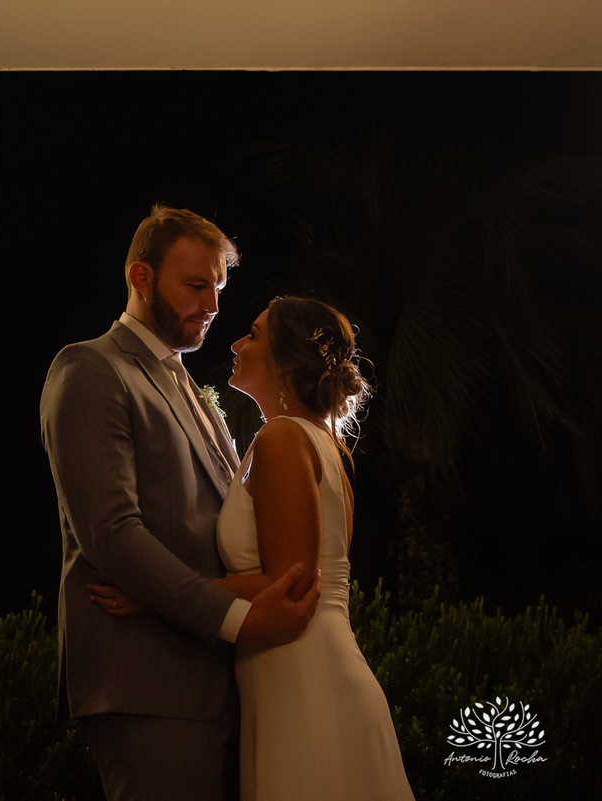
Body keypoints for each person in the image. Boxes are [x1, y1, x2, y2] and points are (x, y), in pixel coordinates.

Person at [40, 205, 320, 801]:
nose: (213, 305)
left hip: (219, 683)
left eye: (218, 288)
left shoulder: (191, 387)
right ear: (141, 279)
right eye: (196, 285)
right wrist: (238, 618)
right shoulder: (91, 368)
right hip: (147, 685)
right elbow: (112, 534)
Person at [93, 296, 415, 800]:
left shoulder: (283, 439)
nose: (237, 343)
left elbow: (289, 581)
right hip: (296, 670)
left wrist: (154, 595)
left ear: (286, 360)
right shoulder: (315, 441)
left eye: (254, 334)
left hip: (304, 676)